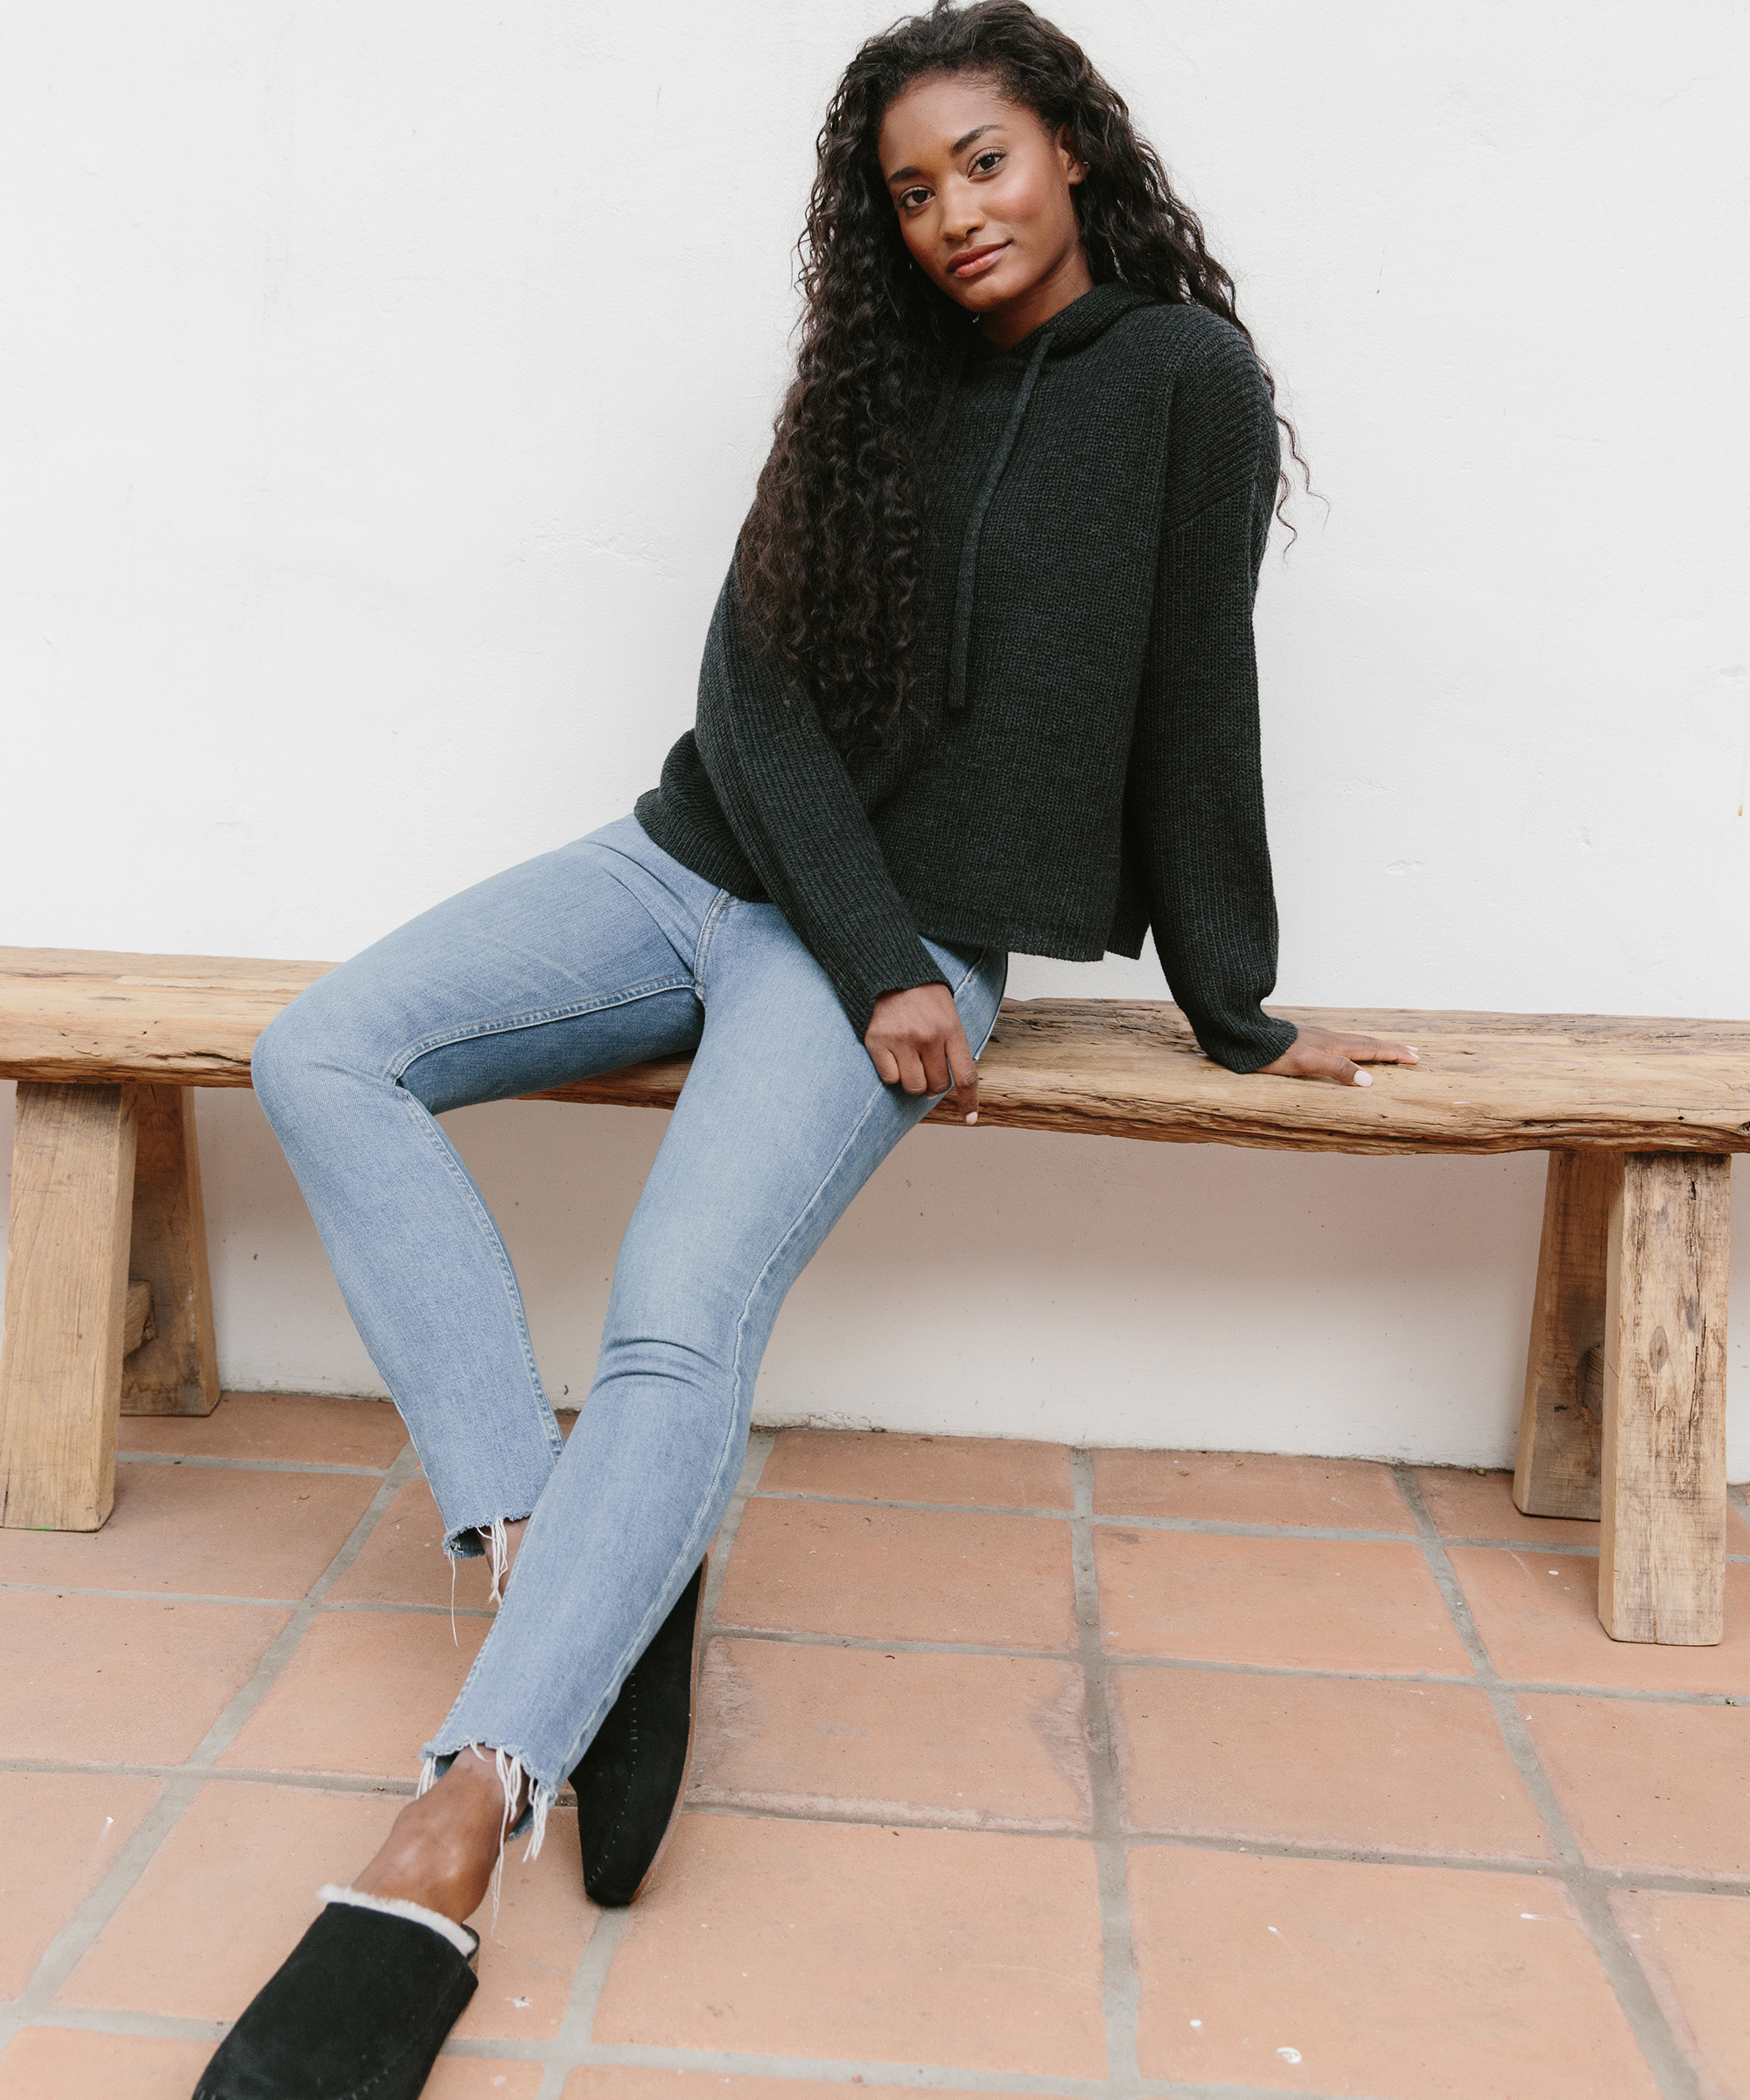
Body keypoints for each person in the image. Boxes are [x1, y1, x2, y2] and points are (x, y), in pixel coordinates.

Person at [192, 4, 1416, 2094]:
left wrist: (1238, 1003)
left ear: (1078, 155)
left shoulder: (1183, 386)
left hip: (909, 945)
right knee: (324, 1051)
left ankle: (459, 1818)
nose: (954, 216)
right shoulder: (869, 380)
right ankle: (553, 1549)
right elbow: (747, 686)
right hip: (696, 867)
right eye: (912, 190)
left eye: (987, 164)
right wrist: (857, 944)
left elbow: (1195, 701)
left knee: (676, 1323)